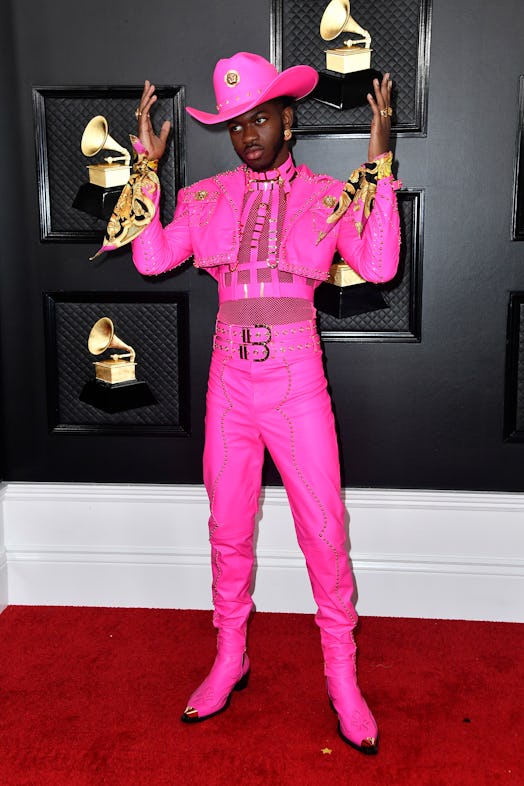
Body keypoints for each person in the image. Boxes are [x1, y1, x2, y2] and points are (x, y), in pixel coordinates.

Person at [130, 51, 400, 754]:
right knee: (228, 527)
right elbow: (152, 258)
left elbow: (379, 264)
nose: (248, 134)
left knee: (324, 532)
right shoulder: (208, 197)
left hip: (296, 387)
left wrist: (379, 164)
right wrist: (146, 169)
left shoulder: (325, 194)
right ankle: (231, 657)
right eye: (235, 125)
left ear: (288, 118)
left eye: (259, 118)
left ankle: (341, 677)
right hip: (229, 388)